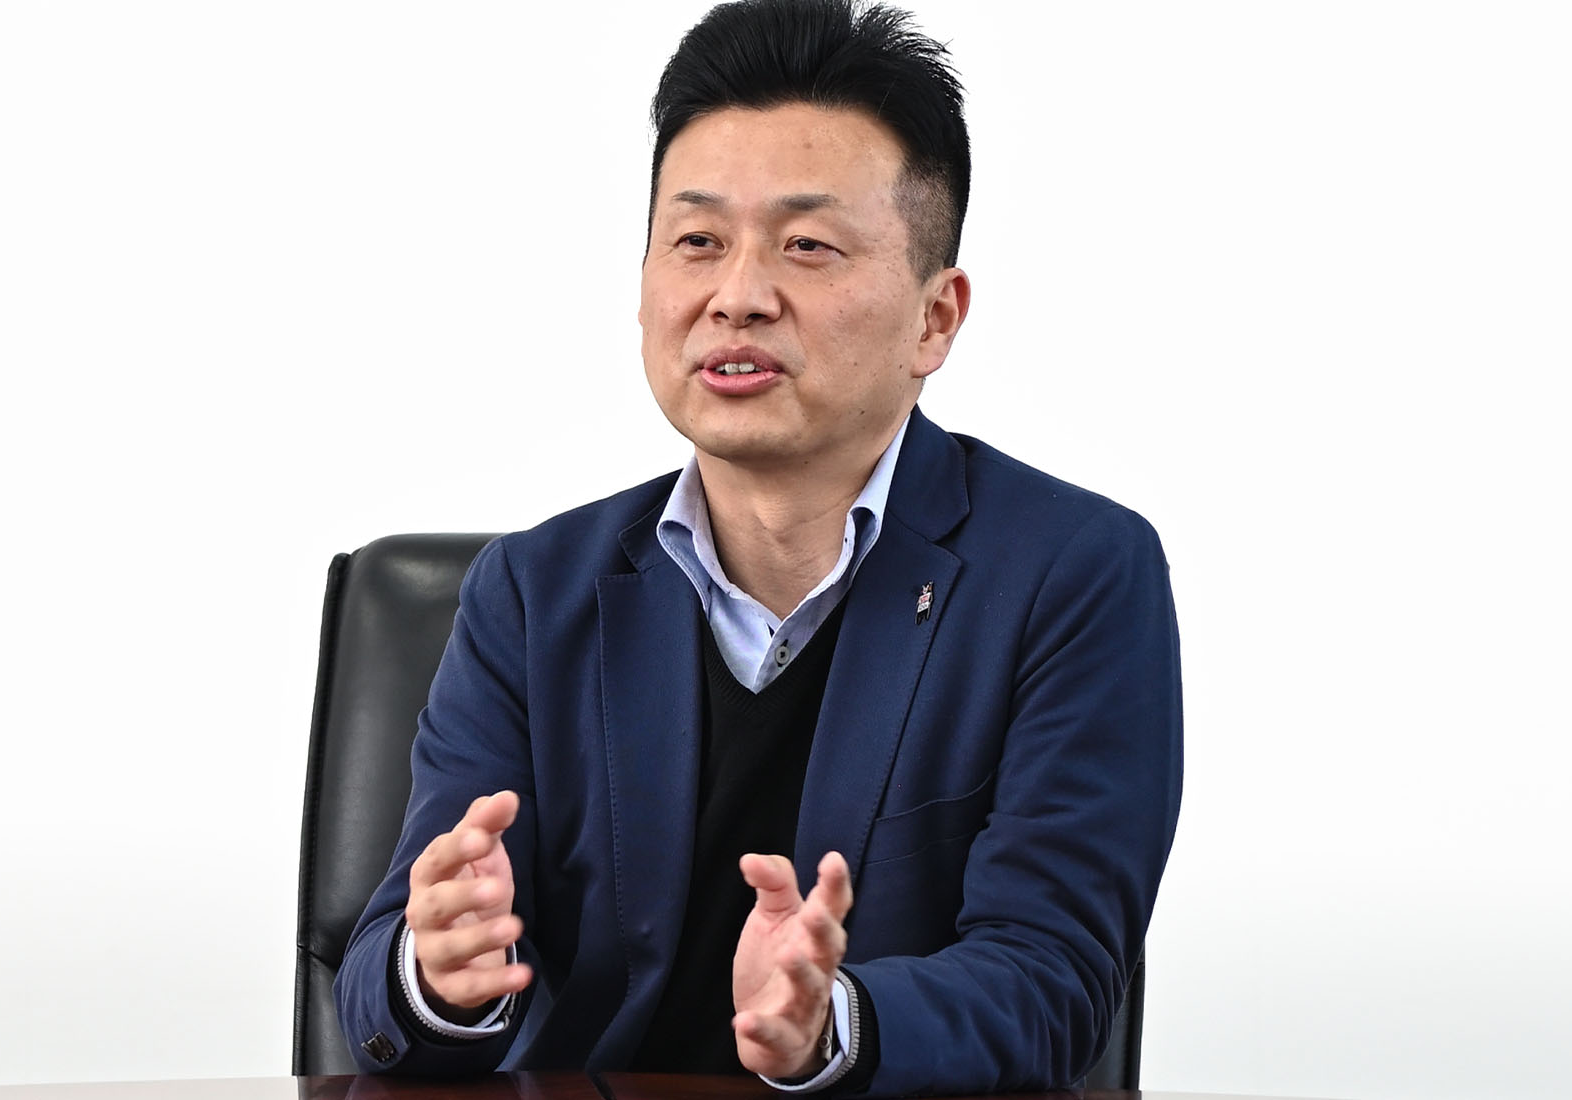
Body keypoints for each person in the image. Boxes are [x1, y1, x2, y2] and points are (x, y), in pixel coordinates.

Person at [335, 0, 1182, 1094]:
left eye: (807, 246)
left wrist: (836, 1021)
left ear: (935, 318)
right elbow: (385, 985)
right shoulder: (533, 592)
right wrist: (435, 971)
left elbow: (1050, 981)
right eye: (697, 241)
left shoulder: (1072, 575)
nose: (737, 296)